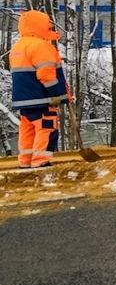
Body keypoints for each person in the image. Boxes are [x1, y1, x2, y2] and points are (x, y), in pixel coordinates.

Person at [10, 10, 70, 168]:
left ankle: (25, 162)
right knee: (47, 128)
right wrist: (57, 95)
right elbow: (47, 75)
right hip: (42, 98)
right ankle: (40, 162)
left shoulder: (18, 46)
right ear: (40, 25)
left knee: (28, 130)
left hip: (24, 101)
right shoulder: (41, 46)